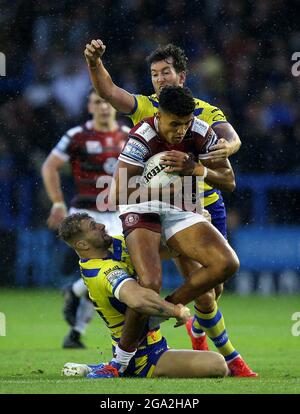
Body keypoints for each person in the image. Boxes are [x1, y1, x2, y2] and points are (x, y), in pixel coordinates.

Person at [84, 40, 257, 377]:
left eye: (166, 72)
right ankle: (118, 364)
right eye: (154, 74)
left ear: (182, 77)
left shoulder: (202, 119)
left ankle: (171, 306)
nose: (179, 132)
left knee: (221, 274)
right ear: (159, 115)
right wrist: (93, 63)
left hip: (191, 205)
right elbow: (119, 192)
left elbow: (230, 170)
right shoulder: (142, 128)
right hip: (144, 203)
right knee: (149, 282)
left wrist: (197, 168)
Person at [59, 213, 228, 379]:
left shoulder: (116, 244)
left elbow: (166, 248)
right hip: (141, 356)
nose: (101, 226)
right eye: (93, 227)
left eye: (96, 223)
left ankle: (109, 366)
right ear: (82, 244)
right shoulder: (101, 272)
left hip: (150, 343)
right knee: (218, 365)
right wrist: (175, 310)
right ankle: (120, 366)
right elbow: (137, 299)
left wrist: (192, 229)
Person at [41, 89, 128, 349]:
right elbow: (49, 166)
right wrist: (57, 202)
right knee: (102, 274)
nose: (103, 107)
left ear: (114, 105)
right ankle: (77, 327)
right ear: (90, 107)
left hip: (118, 214)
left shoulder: (128, 136)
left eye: (106, 101)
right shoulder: (77, 135)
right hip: (86, 216)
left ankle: (74, 297)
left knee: (109, 273)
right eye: (96, 102)